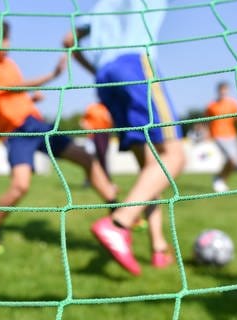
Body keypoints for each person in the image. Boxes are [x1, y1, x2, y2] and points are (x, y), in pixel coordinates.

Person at [63, 0, 184, 275]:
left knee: (152, 171)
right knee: (174, 156)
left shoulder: (101, 5)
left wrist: (96, 68)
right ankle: (118, 224)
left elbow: (68, 40)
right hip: (135, 64)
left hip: (106, 77)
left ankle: (158, 247)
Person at [0, 19, 117, 252]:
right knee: (20, 187)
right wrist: (51, 76)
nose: (7, 43)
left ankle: (118, 212)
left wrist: (31, 101)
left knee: (85, 157)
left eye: (8, 38)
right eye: (2, 38)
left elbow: (11, 98)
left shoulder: (10, 64)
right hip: (16, 133)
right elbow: (15, 88)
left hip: (36, 124)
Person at [206, 82, 237, 192]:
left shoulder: (233, 104)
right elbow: (206, 121)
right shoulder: (211, 106)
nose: (223, 92)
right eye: (221, 90)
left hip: (232, 135)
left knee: (235, 162)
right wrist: (206, 134)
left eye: (225, 90)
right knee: (232, 159)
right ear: (218, 91)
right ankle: (219, 180)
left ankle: (220, 179)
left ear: (228, 91)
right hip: (218, 135)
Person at [80, 102, 113, 179]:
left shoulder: (108, 107)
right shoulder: (92, 108)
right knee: (91, 156)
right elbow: (83, 121)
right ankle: (89, 179)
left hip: (105, 134)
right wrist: (88, 128)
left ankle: (105, 178)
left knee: (102, 155)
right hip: (93, 135)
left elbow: (111, 121)